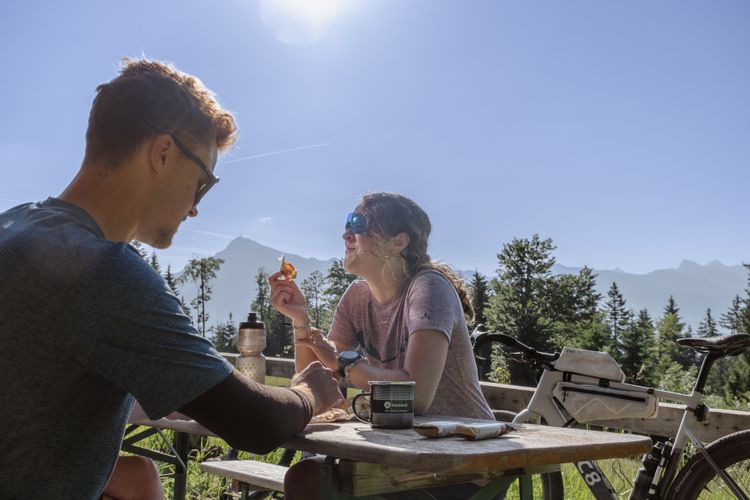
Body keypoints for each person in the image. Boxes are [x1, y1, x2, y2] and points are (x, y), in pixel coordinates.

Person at [0, 58, 341, 500]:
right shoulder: (102, 268)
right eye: (202, 182)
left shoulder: (18, 225)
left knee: (136, 476)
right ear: (162, 153)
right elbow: (256, 424)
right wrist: (309, 392)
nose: (196, 207)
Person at [270, 192, 494, 499]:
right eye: (347, 223)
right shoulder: (356, 297)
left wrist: (345, 363)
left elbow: (416, 398)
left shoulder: (429, 288)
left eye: (358, 223)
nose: (346, 233)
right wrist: (300, 321)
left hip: (461, 462)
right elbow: (318, 382)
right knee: (310, 474)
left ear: (398, 242)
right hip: (401, 450)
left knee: (310, 478)